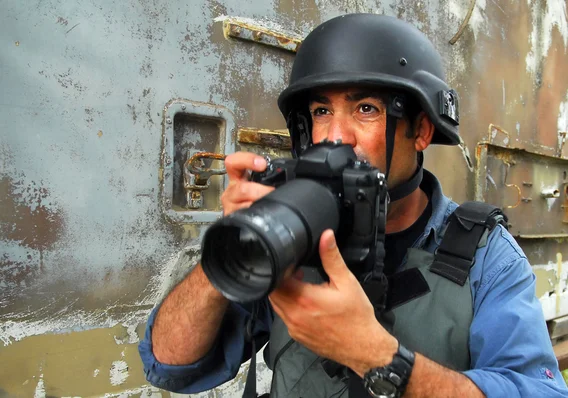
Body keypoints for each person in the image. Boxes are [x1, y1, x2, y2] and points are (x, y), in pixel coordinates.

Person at [139, 13, 568, 397]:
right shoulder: (291, 230)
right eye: (322, 110)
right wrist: (233, 246)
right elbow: (168, 365)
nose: (336, 137)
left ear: (420, 130)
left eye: (365, 109)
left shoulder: (484, 255)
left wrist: (380, 359)